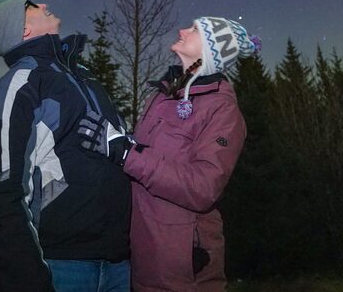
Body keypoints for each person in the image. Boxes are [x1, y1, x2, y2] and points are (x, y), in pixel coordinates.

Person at [78, 16, 258, 291]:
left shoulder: (222, 110)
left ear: (212, 49)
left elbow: (203, 187)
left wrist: (127, 154)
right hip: (141, 256)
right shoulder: (162, 96)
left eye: (195, 29)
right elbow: (148, 158)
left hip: (181, 267)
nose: (182, 30)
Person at [0, 0, 131, 292]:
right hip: (61, 266)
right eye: (32, 5)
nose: (44, 3)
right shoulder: (19, 86)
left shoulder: (85, 78)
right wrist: (25, 279)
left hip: (117, 263)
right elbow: (2, 192)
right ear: (22, 29)